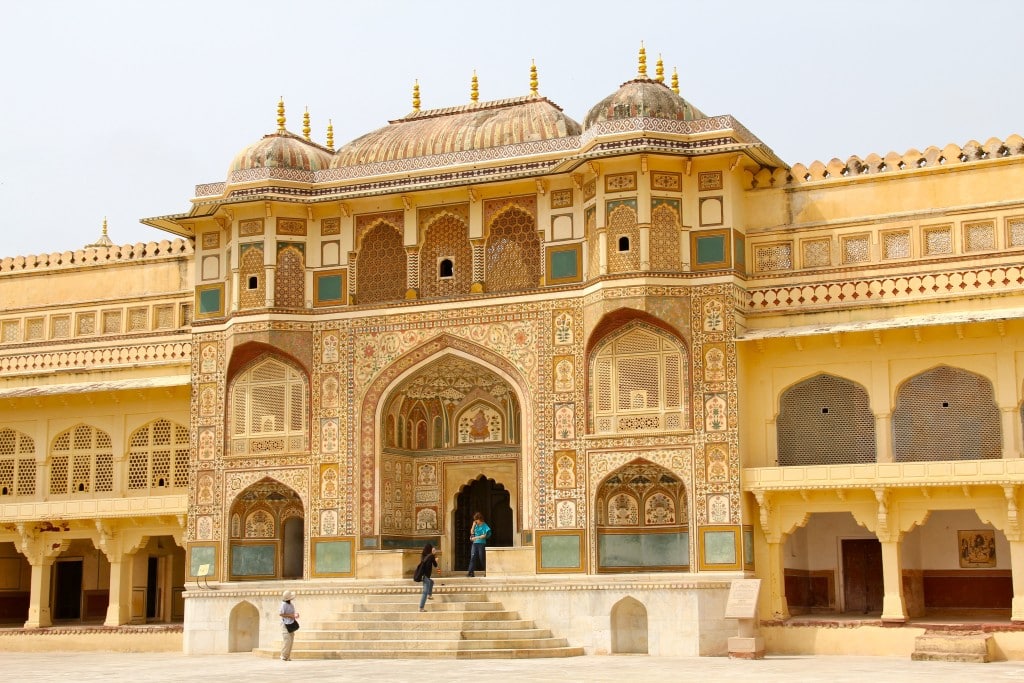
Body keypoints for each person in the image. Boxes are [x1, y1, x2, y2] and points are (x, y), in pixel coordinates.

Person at [466, 511, 491, 577]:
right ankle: (471, 572)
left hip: (481, 544)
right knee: (473, 557)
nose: (475, 521)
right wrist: (473, 525)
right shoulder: (475, 525)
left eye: (476, 520)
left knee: (481, 558)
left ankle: (487, 572)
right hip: (475, 544)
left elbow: (484, 536)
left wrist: (476, 537)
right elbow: (471, 532)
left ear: (479, 519)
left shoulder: (485, 525)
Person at [417, 543, 439, 611]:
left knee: (431, 582)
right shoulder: (431, 556)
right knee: (425, 592)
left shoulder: (423, 556)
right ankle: (421, 607)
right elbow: (435, 565)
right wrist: (435, 558)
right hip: (426, 576)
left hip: (424, 576)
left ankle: (429, 595)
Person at [279, 590, 299, 661]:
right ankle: (283, 655)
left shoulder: (290, 604)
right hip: (285, 624)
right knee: (287, 640)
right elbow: (281, 614)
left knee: (291, 640)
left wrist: (294, 615)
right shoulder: (283, 604)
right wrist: (291, 615)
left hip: (291, 623)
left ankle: (287, 656)